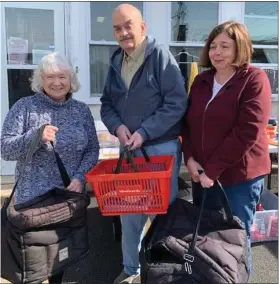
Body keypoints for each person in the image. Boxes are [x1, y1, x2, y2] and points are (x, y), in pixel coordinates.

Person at [100, 4, 187, 283]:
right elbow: (106, 105)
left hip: (160, 147)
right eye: (117, 28)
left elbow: (176, 102)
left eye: (128, 25)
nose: (123, 32)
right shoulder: (116, 61)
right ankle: (130, 269)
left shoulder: (160, 56)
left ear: (142, 27)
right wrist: (118, 126)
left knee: (162, 213)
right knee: (129, 213)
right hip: (129, 151)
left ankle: (167, 271)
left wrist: (145, 132)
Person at [1, 52, 100, 283]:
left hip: (66, 197)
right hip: (33, 202)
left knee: (59, 257)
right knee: (32, 264)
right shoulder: (24, 107)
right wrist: (35, 137)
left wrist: (80, 177)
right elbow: (5, 149)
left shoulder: (81, 110)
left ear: (71, 80)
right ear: (41, 80)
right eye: (50, 77)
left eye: (62, 77)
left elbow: (92, 149)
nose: (57, 82)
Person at [182, 21, 271, 275]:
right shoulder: (202, 80)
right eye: (213, 46)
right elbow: (187, 124)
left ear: (240, 48)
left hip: (238, 179)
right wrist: (189, 158)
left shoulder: (254, 79)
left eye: (225, 46)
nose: (216, 52)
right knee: (207, 240)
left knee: (235, 242)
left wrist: (213, 169)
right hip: (202, 176)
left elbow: (248, 131)